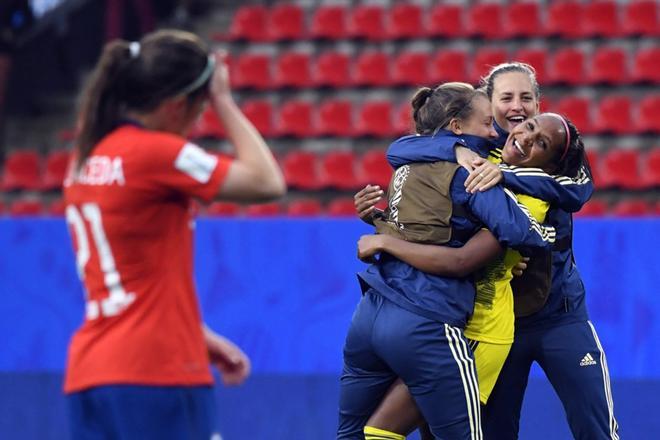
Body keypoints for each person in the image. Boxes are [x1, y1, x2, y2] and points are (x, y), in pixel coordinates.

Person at [358, 62, 617, 440]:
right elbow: (403, 152)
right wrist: (381, 216)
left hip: (559, 316)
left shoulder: (555, 150)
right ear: (487, 104)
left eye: (526, 98)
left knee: (594, 426)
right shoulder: (469, 154)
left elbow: (577, 190)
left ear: (539, 104)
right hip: (493, 324)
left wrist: (504, 177)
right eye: (506, 97)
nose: (518, 108)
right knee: (485, 430)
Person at [62, 29, 286, 439]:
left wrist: (195, 334)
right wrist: (225, 100)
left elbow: (129, 273)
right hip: (157, 372)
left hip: (89, 375)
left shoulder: (85, 158)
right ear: (177, 105)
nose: (201, 120)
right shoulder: (155, 153)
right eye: (200, 108)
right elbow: (265, 181)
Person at [337, 82, 557, 440]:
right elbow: (515, 232)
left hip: (369, 315)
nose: (493, 131)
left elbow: (413, 226)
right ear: (456, 127)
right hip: (428, 319)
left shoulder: (405, 165)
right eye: (487, 123)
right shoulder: (473, 175)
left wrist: (379, 228)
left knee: (356, 434)